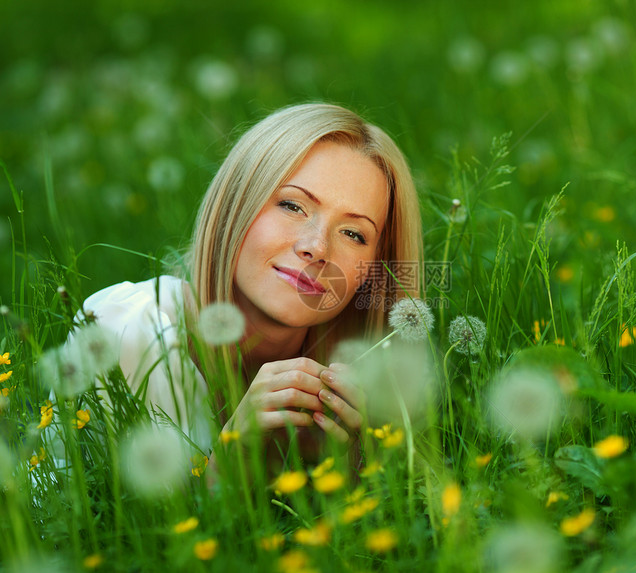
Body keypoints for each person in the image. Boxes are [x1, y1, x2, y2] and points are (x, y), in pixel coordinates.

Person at [80, 103, 423, 471]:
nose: (317, 246)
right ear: (236, 202)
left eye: (353, 233)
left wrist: (354, 471)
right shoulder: (126, 333)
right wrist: (230, 462)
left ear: (373, 270)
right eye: (293, 206)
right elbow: (92, 525)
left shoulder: (358, 398)